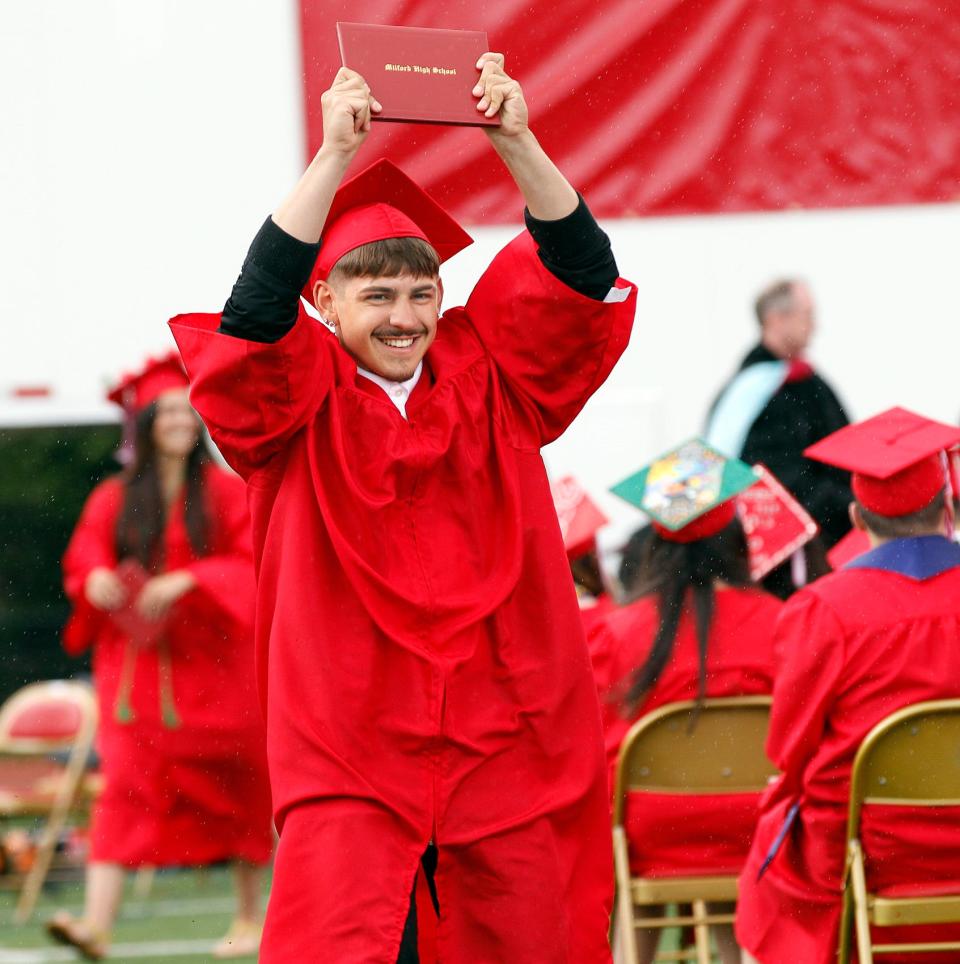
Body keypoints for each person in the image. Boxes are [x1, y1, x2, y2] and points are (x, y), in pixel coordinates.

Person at [169, 55, 636, 962]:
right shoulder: (297, 404)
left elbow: (581, 274)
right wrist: (333, 159)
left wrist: (517, 142)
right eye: (375, 294)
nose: (404, 316)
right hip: (349, 745)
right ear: (325, 300)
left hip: (502, 734)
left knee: (519, 938)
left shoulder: (493, 380)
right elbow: (253, 316)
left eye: (421, 293)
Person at [48, 354, 273, 960]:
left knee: (245, 790)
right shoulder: (115, 498)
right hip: (139, 677)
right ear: (144, 424)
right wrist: (93, 580)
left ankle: (253, 919)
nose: (179, 420)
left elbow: (255, 562)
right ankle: (96, 926)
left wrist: (192, 579)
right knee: (122, 787)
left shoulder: (227, 493)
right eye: (167, 410)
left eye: (186, 410)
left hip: (218, 669)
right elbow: (84, 559)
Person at [737, 407, 960, 964]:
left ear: (858, 519)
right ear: (949, 504)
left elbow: (791, 749)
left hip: (875, 850)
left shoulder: (824, 610)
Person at [590, 440, 781, 964]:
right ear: (736, 540)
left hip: (652, 832)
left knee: (629, 824)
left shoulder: (618, 634)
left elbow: (602, 753)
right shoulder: (777, 623)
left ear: (655, 544)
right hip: (754, 824)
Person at [705, 279, 852, 578]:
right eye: (807, 315)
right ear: (776, 319)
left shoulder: (805, 378)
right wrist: (844, 503)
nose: (815, 326)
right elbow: (775, 476)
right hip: (791, 553)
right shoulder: (755, 392)